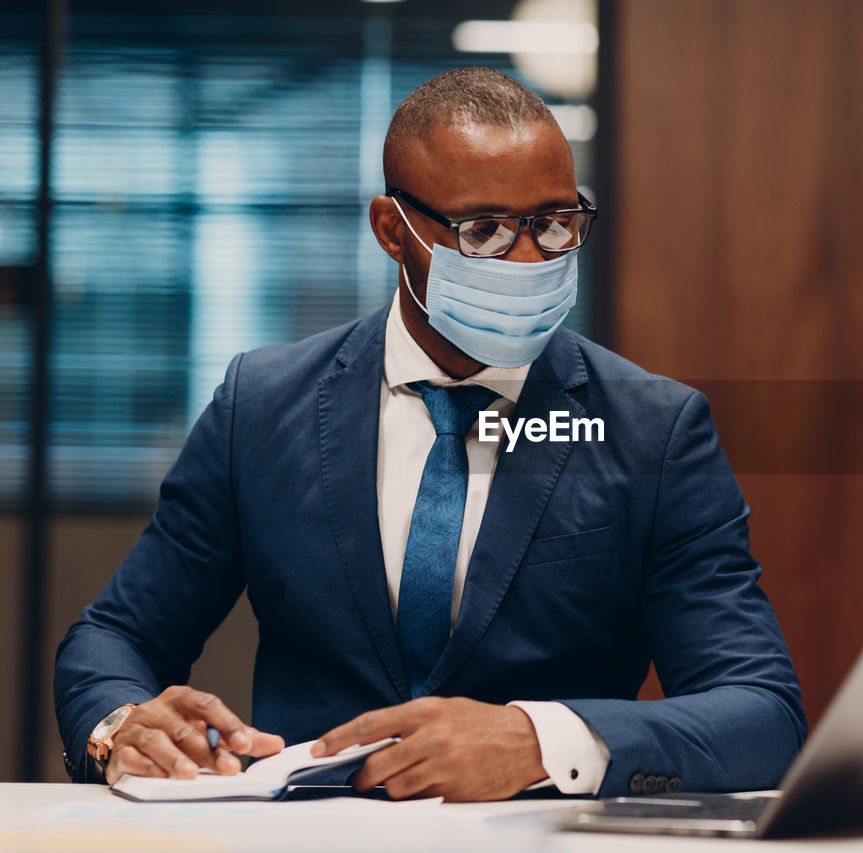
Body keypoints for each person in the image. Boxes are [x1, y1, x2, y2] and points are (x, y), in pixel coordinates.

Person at [54, 67, 805, 801]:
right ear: (393, 229)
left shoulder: (652, 430)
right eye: (483, 230)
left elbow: (761, 712)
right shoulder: (262, 404)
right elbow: (115, 638)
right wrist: (120, 723)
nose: (527, 258)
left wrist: (538, 740)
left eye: (553, 223)